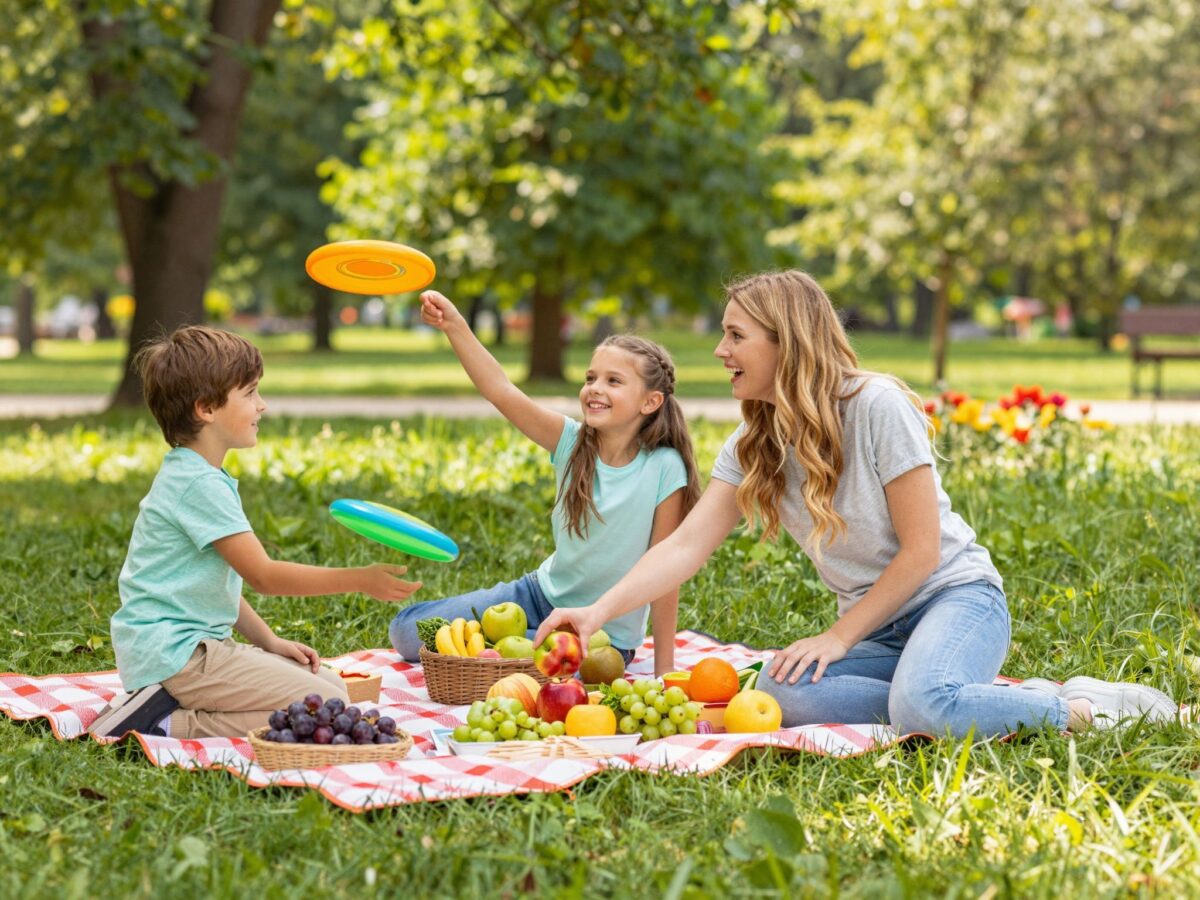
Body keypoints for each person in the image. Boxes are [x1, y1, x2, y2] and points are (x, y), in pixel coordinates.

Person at [534, 271, 1177, 736]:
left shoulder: (877, 406)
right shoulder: (754, 442)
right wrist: (596, 613)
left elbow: (923, 552)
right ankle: (955, 698)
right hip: (880, 628)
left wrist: (838, 637)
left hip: (956, 599)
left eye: (735, 336)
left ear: (785, 341)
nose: (720, 351)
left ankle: (1086, 710)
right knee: (780, 690)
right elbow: (683, 547)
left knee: (923, 708)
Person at [89, 326, 421, 740]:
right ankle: (165, 723)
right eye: (249, 393)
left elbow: (212, 588)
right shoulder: (199, 485)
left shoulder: (195, 474)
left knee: (331, 688)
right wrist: (359, 579)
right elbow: (264, 576)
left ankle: (164, 705)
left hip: (179, 650)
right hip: (178, 658)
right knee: (328, 705)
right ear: (206, 408)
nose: (261, 405)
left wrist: (269, 641)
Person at [388, 291, 700, 676]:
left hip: (603, 634)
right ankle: (505, 646)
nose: (595, 388)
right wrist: (454, 324)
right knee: (406, 633)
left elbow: (666, 572)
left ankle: (502, 649)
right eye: (591, 378)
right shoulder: (570, 440)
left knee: (547, 668)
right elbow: (501, 390)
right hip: (536, 596)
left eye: (613, 381)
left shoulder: (665, 467)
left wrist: (665, 671)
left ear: (650, 402)